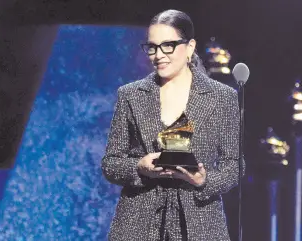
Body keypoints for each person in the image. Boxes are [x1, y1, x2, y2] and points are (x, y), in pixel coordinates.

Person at [101, 9, 244, 241]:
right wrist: (139, 167)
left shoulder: (222, 97)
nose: (158, 55)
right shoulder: (131, 95)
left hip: (200, 223)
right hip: (138, 223)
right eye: (152, 47)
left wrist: (203, 180)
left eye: (168, 45)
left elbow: (234, 166)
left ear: (189, 47)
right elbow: (110, 163)